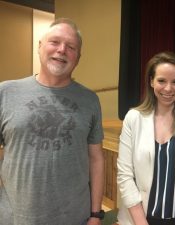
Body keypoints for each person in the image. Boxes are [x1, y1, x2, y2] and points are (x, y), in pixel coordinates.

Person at [0, 18, 105, 225]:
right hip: (15, 217)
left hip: (75, 218)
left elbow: (96, 159)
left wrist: (96, 214)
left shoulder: (90, 100)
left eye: (71, 47)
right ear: (40, 46)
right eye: (54, 42)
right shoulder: (5, 93)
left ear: (78, 57)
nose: (62, 50)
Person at [117, 51, 175, 225]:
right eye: (161, 80)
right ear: (151, 81)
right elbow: (125, 176)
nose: (168, 88)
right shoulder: (133, 118)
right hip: (139, 219)